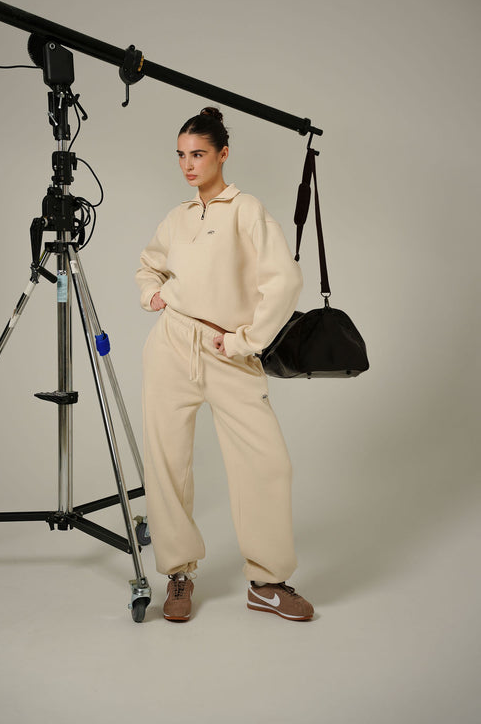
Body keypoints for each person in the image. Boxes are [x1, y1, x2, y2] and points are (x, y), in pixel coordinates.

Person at [135, 107, 314, 622]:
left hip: (226, 351)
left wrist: (246, 341)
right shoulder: (178, 217)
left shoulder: (246, 210)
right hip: (172, 345)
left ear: (223, 154)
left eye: (198, 154)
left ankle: (268, 582)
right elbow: (148, 265)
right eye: (181, 156)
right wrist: (151, 294)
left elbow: (285, 280)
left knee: (267, 463)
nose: (188, 165)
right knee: (166, 463)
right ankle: (177, 574)